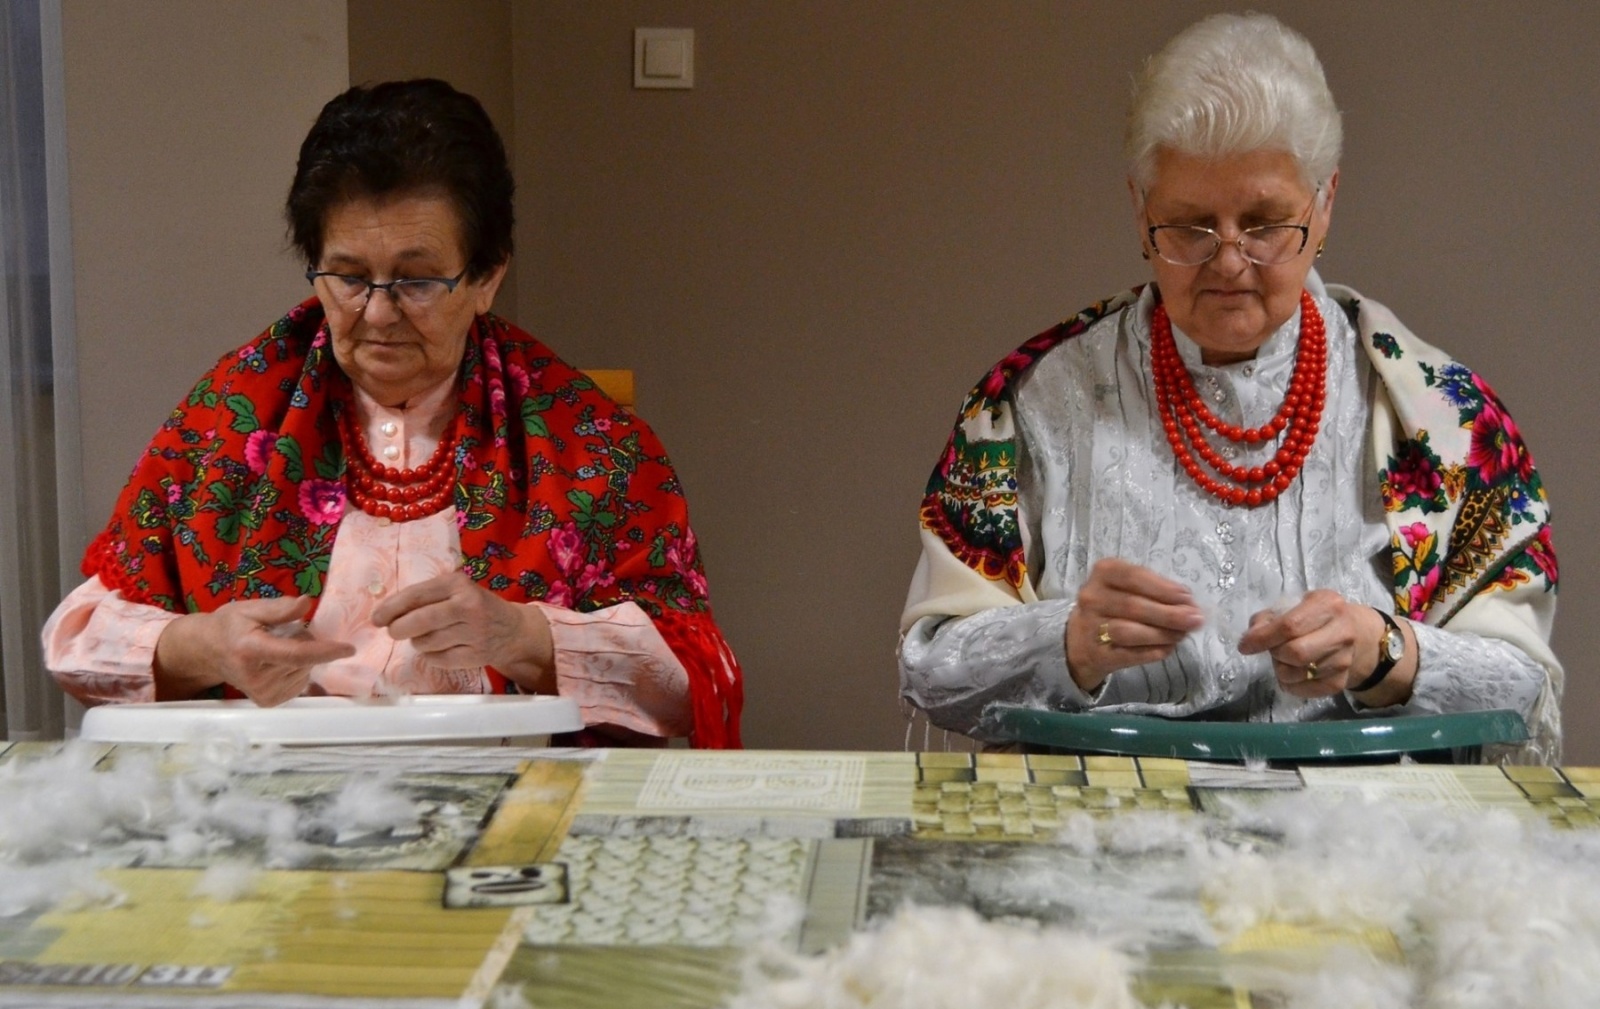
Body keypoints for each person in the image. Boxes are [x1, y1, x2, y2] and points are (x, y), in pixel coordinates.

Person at [898, 14, 1560, 762]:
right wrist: (1066, 640)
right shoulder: (1027, 407)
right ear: (1141, 211)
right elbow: (931, 663)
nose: (1229, 261)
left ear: (1326, 201)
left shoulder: (1440, 416)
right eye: (1190, 227)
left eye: (1265, 222)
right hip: (1093, 839)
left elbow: (1524, 684)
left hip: (1362, 845)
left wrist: (1385, 650)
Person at [44, 79, 741, 748]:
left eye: (415, 280)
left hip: (514, 812)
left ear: (487, 276)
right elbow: (74, 642)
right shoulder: (230, 419)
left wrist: (524, 636)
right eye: (347, 277)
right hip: (272, 819)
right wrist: (203, 647)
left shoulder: (589, 443)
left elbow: (694, 681)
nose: (378, 314)